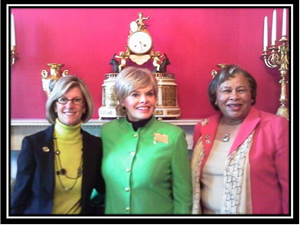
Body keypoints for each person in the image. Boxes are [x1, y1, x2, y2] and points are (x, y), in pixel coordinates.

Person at [191, 65, 289, 214]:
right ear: (215, 97)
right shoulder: (203, 128)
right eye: (226, 90)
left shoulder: (276, 126)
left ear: (252, 95)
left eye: (241, 90)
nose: (234, 96)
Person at [99, 66, 192, 214]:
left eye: (149, 94)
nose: (144, 100)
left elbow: (183, 195)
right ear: (122, 100)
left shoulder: (174, 136)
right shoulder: (107, 132)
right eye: (135, 94)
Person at [11, 75, 105, 215]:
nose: (69, 105)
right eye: (62, 99)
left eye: (77, 100)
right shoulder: (33, 144)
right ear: (55, 106)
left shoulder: (95, 145)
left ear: (85, 107)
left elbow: (104, 187)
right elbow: (20, 194)